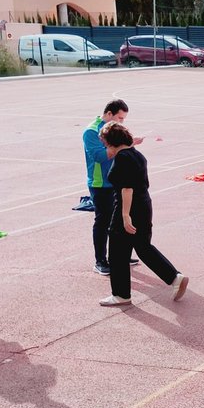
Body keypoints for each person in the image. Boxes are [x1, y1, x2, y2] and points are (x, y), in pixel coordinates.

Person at [98, 123, 188, 307]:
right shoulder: (138, 155)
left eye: (106, 144)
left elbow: (127, 189)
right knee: (143, 246)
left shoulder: (122, 158)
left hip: (129, 207)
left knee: (117, 252)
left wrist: (124, 215)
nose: (105, 148)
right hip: (144, 205)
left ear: (112, 142)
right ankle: (174, 277)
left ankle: (121, 294)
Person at [83, 99, 140, 276]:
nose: (121, 122)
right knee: (103, 221)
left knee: (120, 219)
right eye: (119, 118)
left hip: (116, 180)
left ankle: (121, 254)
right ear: (108, 114)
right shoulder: (91, 132)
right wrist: (127, 145)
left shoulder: (113, 130)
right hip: (100, 183)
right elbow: (100, 156)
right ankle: (100, 260)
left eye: (123, 119)